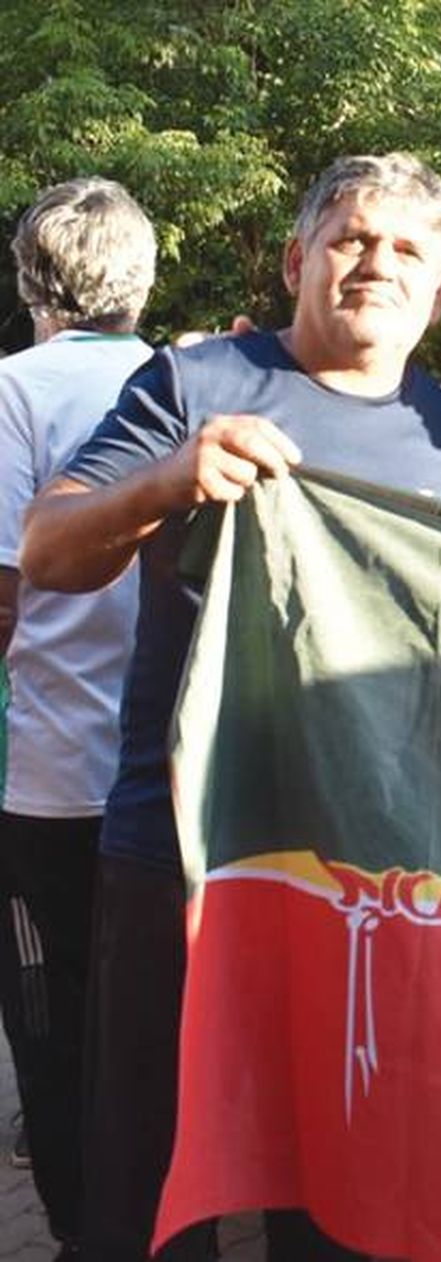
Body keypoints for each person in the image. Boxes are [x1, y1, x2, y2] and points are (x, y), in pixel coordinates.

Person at [20, 153, 441, 1262]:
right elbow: (49, 551)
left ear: (438, 291)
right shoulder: (196, 384)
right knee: (147, 1201)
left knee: (336, 1199)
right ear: (298, 259)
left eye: (408, 249)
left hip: (358, 880)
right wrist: (171, 478)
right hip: (179, 851)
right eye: (350, 237)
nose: (375, 262)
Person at [0, 177, 159, 1261]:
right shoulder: (183, 380)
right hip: (173, 779)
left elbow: (4, 592)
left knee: (50, 1033)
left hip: (46, 780)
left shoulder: (14, 387)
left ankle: (81, 1234)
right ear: (140, 279)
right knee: (154, 1027)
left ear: (31, 278)